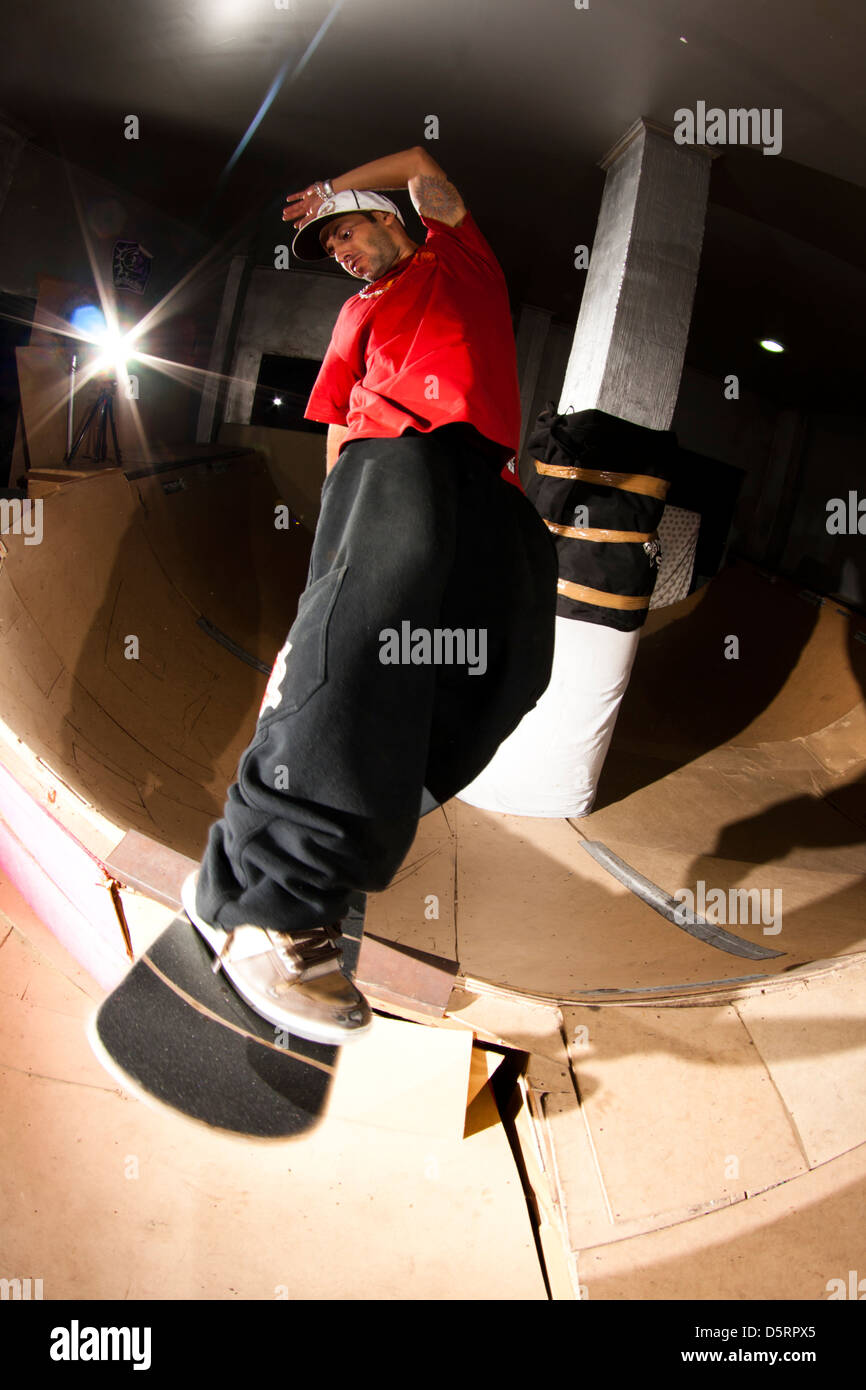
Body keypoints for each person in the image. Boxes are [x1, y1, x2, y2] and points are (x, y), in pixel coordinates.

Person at [182, 145, 557, 1046]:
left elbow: (428, 164)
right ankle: (269, 892)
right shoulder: (356, 311)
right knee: (364, 640)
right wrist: (331, 550)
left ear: (388, 219)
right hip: (391, 466)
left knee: (510, 667)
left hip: (489, 487)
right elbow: (342, 416)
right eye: (332, 248)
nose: (344, 255)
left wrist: (336, 180)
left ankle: (371, 787)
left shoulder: (458, 257)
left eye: (347, 234)